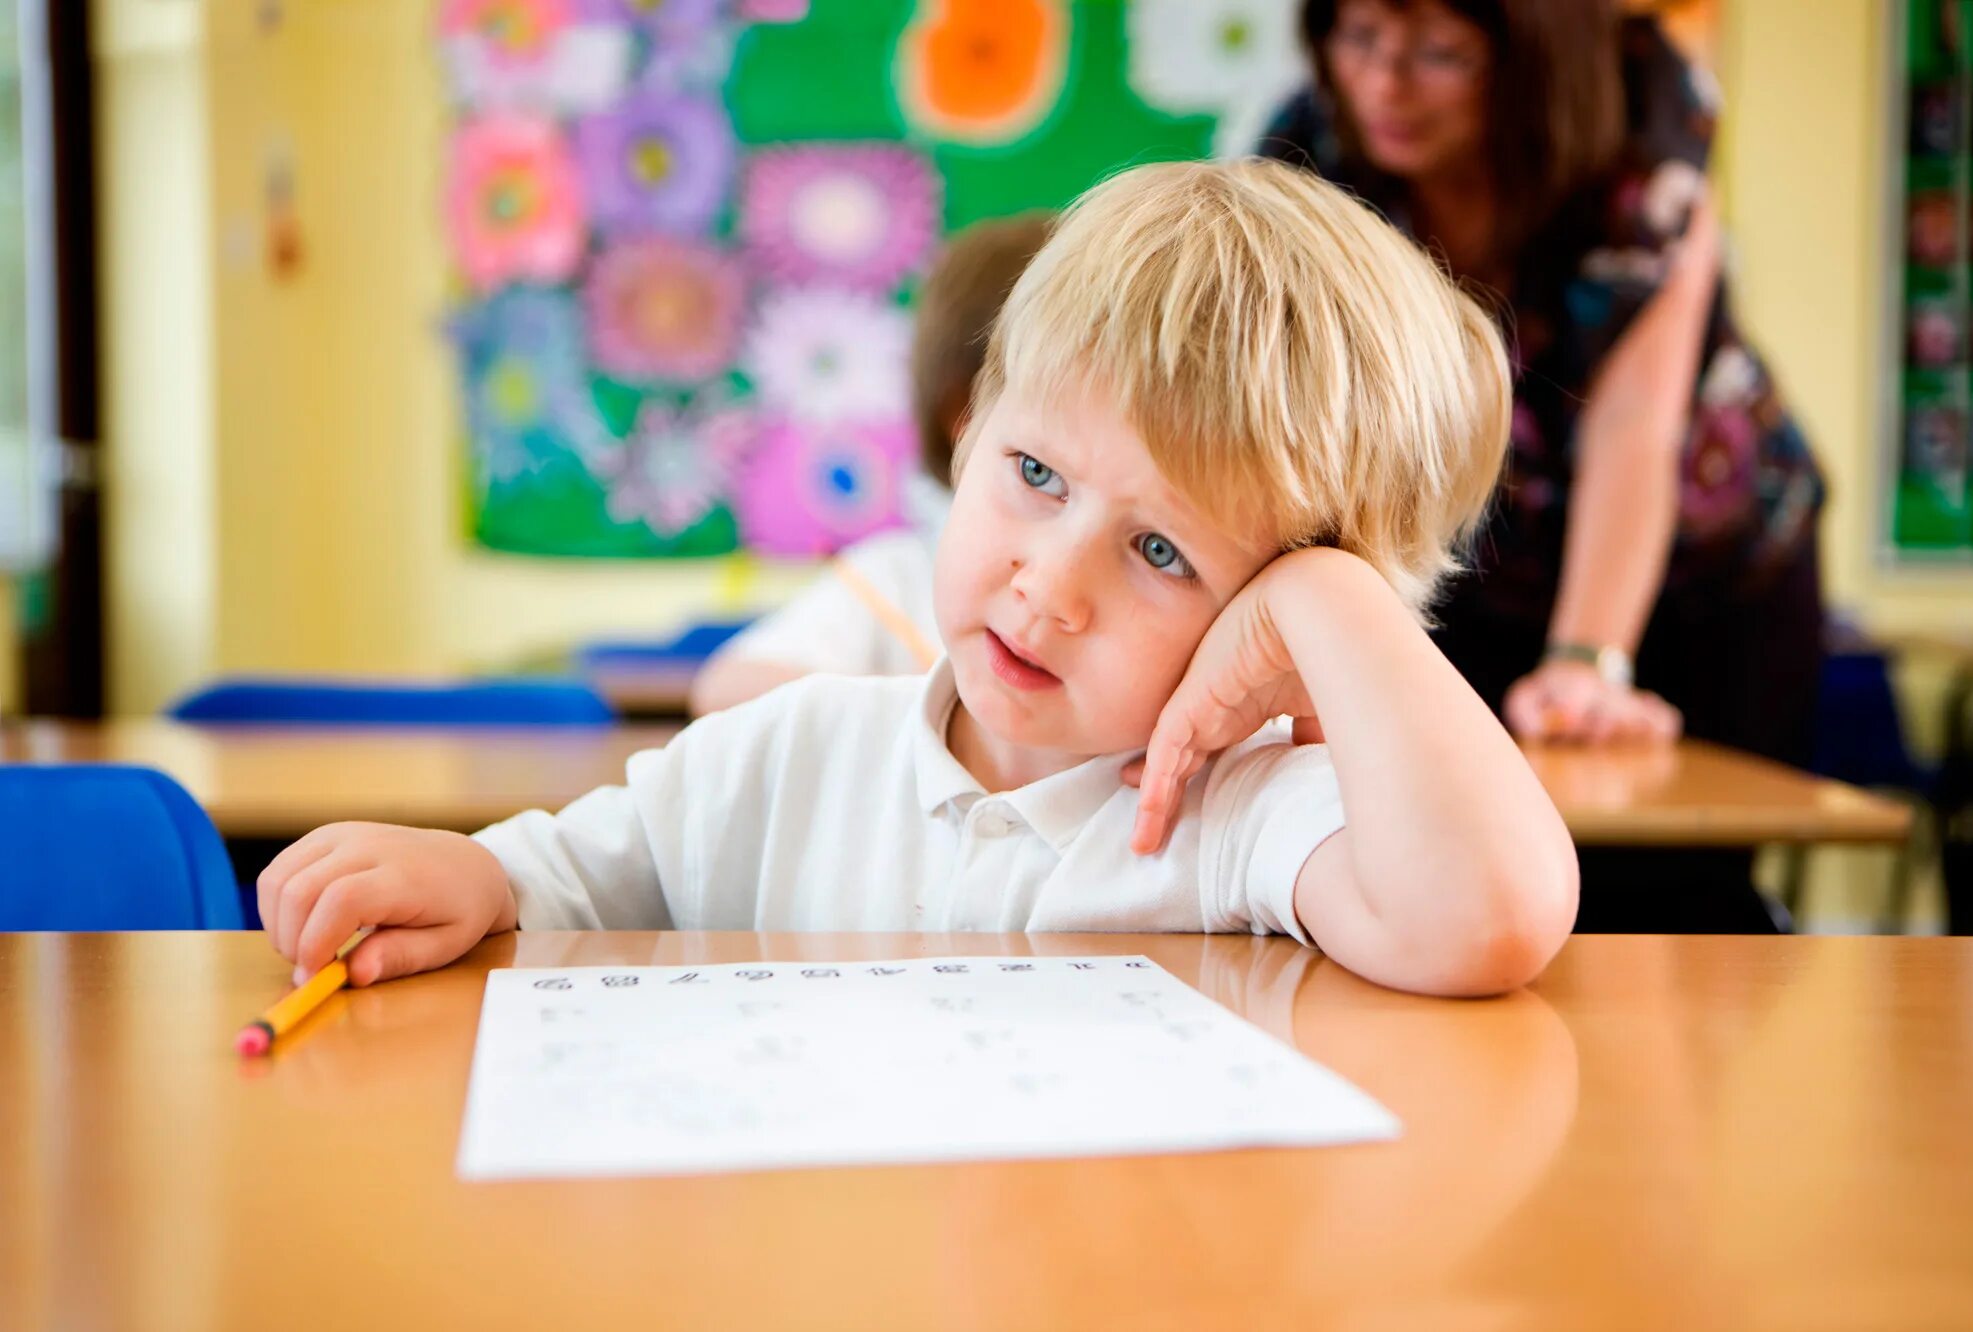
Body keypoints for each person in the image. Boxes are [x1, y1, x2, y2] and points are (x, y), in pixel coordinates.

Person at [254, 159, 1578, 999]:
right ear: (970, 425)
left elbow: (1490, 920)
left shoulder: (1237, 816)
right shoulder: (786, 754)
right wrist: (474, 879)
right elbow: (568, 880)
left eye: (1162, 551)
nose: (1049, 584)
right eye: (1037, 476)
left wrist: (1332, 602)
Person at [1262, 0, 1826, 930]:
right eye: (1358, 39)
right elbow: (1295, 414)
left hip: (1701, 575)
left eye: (1442, 52)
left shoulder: (1638, 115)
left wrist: (1586, 663)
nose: (1385, 85)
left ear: (1528, 57)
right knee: (1460, 873)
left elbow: (1635, 419)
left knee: (1660, 903)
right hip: (1472, 568)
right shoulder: (1309, 146)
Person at [689, 213, 1055, 715]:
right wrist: (914, 712)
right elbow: (723, 689)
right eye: (1040, 470)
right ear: (965, 420)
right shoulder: (900, 574)